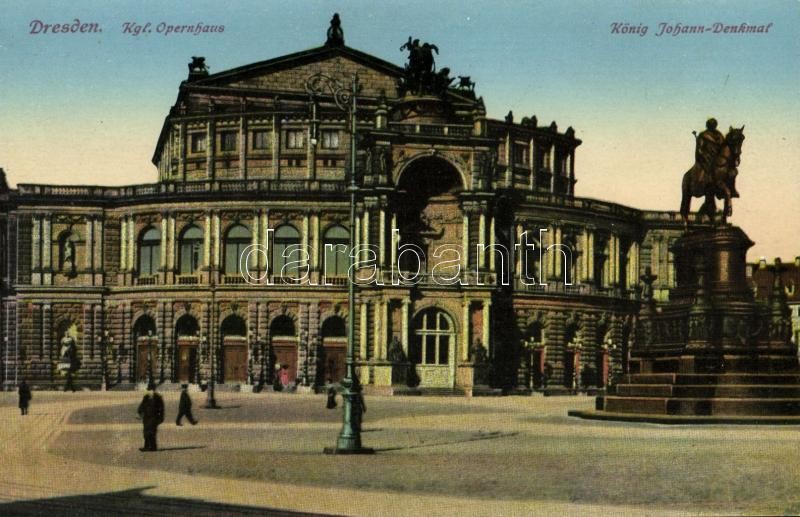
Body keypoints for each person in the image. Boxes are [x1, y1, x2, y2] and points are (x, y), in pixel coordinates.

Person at [137, 383, 165, 452]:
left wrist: (161, 418)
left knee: (152, 432)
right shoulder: (146, 397)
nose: (150, 391)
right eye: (149, 390)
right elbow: (142, 405)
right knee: (146, 432)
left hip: (154, 417)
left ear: (154, 390)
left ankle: (153, 447)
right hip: (146, 417)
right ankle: (147, 446)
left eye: (151, 390)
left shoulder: (158, 398)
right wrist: (139, 412)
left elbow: (161, 409)